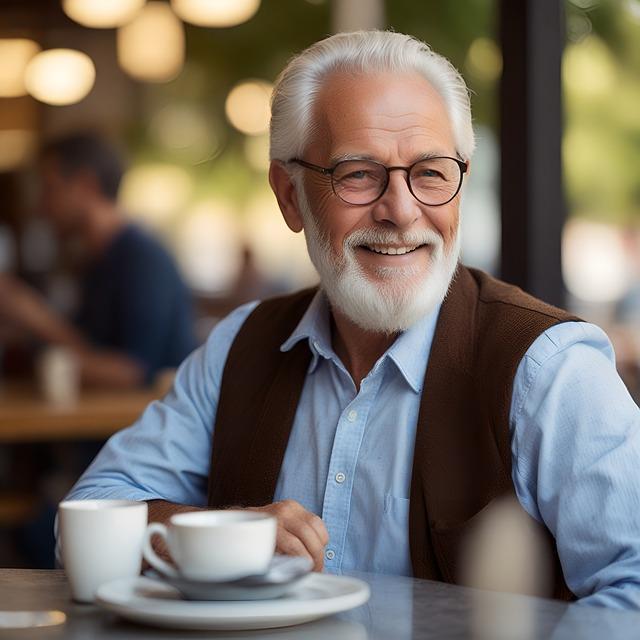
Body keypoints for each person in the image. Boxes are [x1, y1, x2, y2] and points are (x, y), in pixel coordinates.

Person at [62, 32, 640, 608]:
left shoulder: (550, 368)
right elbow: (90, 516)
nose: (401, 210)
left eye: (432, 172)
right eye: (358, 174)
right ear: (290, 197)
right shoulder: (242, 345)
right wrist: (222, 534)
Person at [0, 133, 196, 387]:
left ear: (86, 186)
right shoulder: (96, 261)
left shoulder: (142, 259)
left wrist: (35, 316)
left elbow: (134, 372)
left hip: (140, 420)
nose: (41, 206)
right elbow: (87, 348)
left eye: (50, 189)